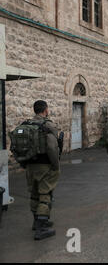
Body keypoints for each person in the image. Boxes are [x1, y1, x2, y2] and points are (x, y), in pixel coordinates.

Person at [23, 101, 61, 240]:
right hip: (44, 165)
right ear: (45, 110)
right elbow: (51, 148)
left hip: (30, 166)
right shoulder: (47, 125)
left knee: (34, 194)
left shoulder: (26, 124)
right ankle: (41, 228)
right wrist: (56, 165)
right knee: (45, 194)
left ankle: (36, 221)